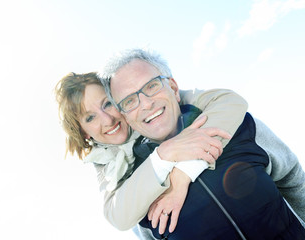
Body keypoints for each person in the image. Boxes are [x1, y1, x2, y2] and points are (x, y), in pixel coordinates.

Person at [99, 48, 305, 239]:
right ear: (125, 116)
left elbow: (293, 181)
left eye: (152, 86)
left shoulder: (237, 125)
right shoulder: (136, 187)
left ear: (173, 87)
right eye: (129, 101)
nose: (146, 104)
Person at [54, 72, 249, 233]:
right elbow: (118, 216)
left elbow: (229, 101)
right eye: (90, 118)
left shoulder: (161, 108)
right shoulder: (109, 167)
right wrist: (163, 154)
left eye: (107, 104)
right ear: (84, 133)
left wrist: (181, 175)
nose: (107, 120)